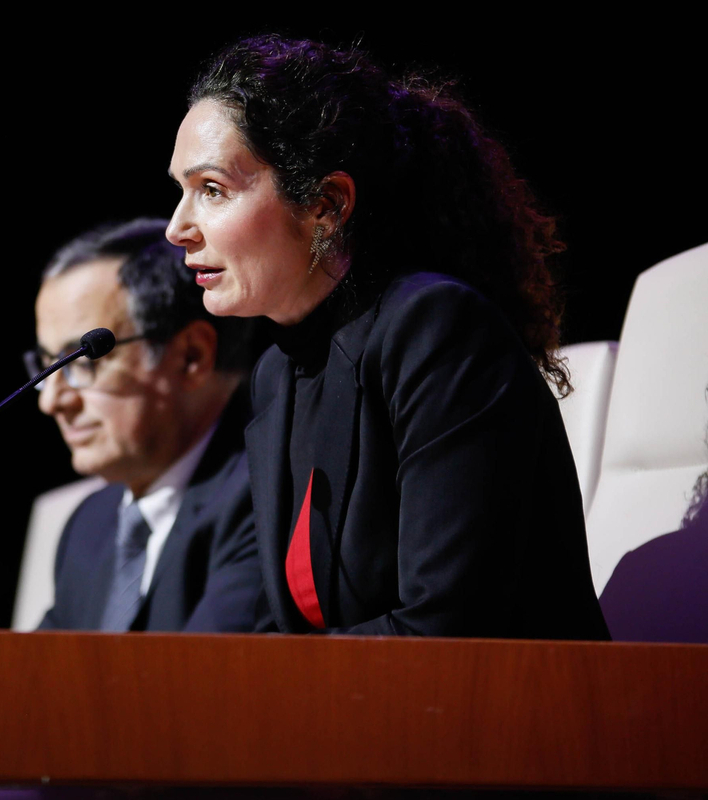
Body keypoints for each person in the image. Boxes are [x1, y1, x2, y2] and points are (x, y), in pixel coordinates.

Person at [165, 36, 610, 639]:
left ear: (326, 205)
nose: (177, 229)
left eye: (212, 190)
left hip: (515, 718)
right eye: (181, 192)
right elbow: (279, 636)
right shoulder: (277, 374)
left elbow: (448, 630)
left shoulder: (437, 332)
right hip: (371, 715)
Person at [30, 219, 263, 632]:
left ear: (191, 356)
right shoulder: (89, 526)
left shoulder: (266, 498)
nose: (52, 401)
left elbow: (203, 685)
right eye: (47, 365)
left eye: (81, 361)